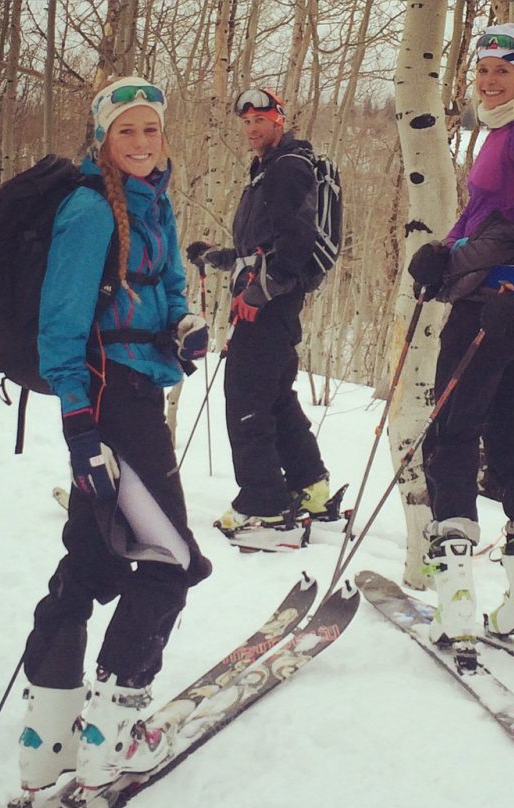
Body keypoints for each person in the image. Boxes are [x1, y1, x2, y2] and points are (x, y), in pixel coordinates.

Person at [14, 76, 211, 808]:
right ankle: (114, 731)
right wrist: (79, 429)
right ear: (103, 137)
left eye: (150, 130)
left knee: (94, 555)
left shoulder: (154, 202)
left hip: (137, 390)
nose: (140, 142)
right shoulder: (91, 210)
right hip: (109, 404)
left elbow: (165, 291)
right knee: (170, 561)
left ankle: (49, 734)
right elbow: (59, 331)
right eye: (125, 131)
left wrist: (181, 329)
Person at [407, 24, 514, 645]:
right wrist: (440, 253)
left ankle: (459, 606)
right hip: (500, 304)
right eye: (482, 70)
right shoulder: (499, 132)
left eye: (503, 69)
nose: (490, 79)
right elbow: (478, 213)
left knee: (452, 431)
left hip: (498, 306)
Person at [186, 88, 331, 543]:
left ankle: (264, 506)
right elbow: (263, 247)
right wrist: (220, 257)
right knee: (273, 396)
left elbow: (294, 245)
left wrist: (259, 293)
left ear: (279, 121)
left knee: (246, 397)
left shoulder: (287, 168)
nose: (252, 129)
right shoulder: (271, 168)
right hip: (273, 301)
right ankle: (310, 486)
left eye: (260, 120)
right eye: (246, 121)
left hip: (268, 305)